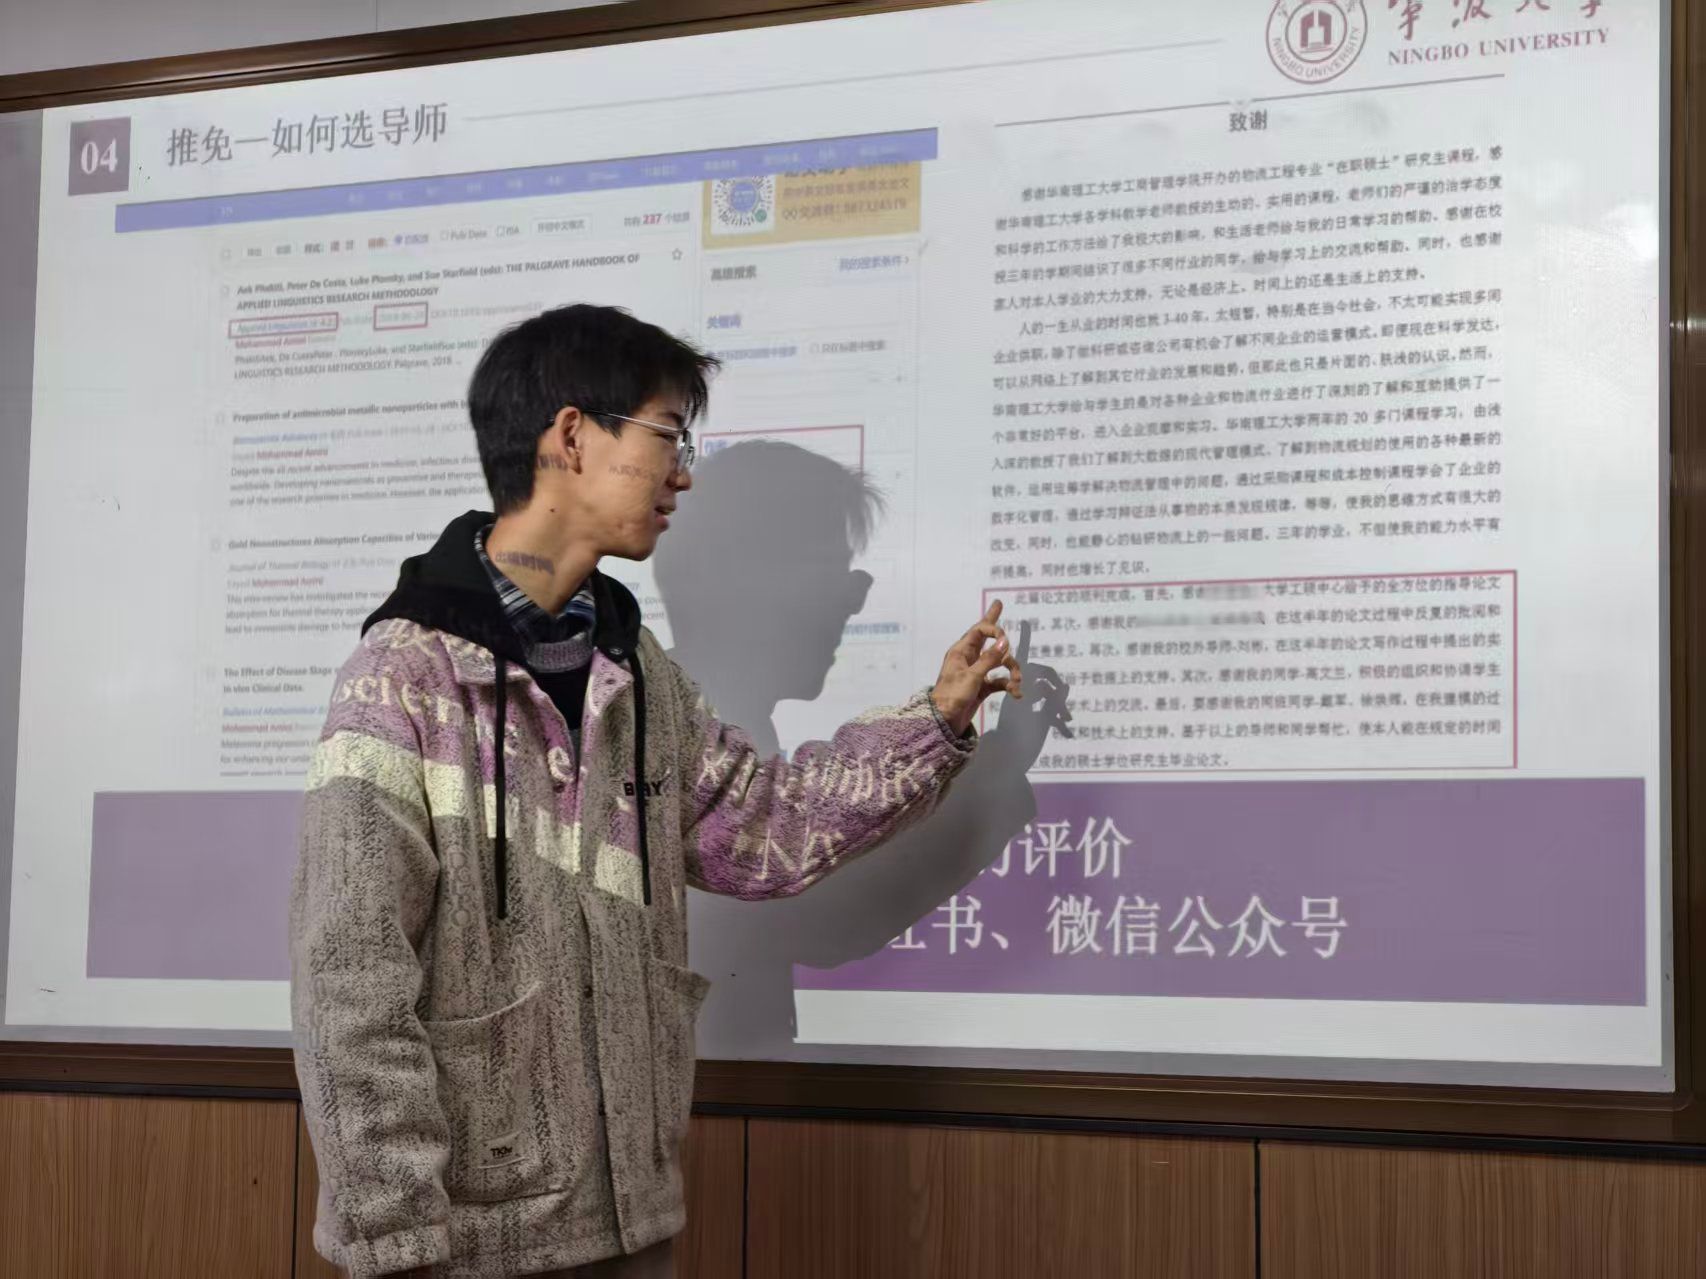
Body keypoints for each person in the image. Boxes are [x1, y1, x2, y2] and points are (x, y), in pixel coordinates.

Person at [290, 303, 1024, 1279]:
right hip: (465, 1248)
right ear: (570, 437)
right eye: (668, 436)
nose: (682, 475)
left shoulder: (635, 670)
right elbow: (349, 982)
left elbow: (759, 828)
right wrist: (397, 1242)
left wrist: (934, 722)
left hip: (631, 1227)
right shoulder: (402, 677)